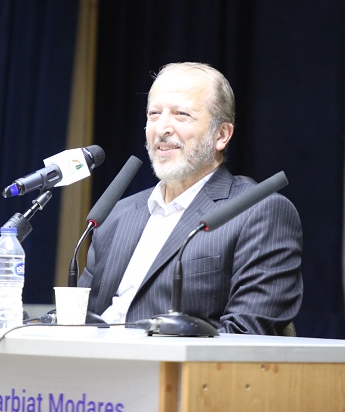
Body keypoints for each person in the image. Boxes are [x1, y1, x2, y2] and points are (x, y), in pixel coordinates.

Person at [78, 62, 303, 335]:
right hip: (94, 357)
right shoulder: (116, 215)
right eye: (154, 114)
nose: (162, 128)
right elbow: (77, 320)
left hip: (171, 362)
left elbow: (246, 335)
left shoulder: (259, 212)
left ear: (221, 135)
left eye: (181, 114)